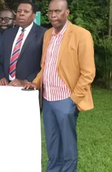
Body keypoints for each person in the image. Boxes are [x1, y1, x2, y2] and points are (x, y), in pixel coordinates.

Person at [23, 0, 96, 171]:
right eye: (50, 12)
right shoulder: (48, 34)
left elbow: (88, 72)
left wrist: (73, 100)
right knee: (53, 145)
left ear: (67, 12)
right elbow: (45, 66)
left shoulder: (81, 34)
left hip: (66, 99)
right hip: (47, 99)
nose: (53, 15)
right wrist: (35, 83)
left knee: (68, 147)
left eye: (57, 11)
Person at [0, 1, 46, 86]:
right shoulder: (7, 34)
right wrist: (1, 77)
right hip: (6, 86)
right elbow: (0, 60)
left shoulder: (42, 34)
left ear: (33, 16)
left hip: (28, 87)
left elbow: (44, 65)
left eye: (26, 12)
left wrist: (26, 81)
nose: (21, 14)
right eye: (19, 11)